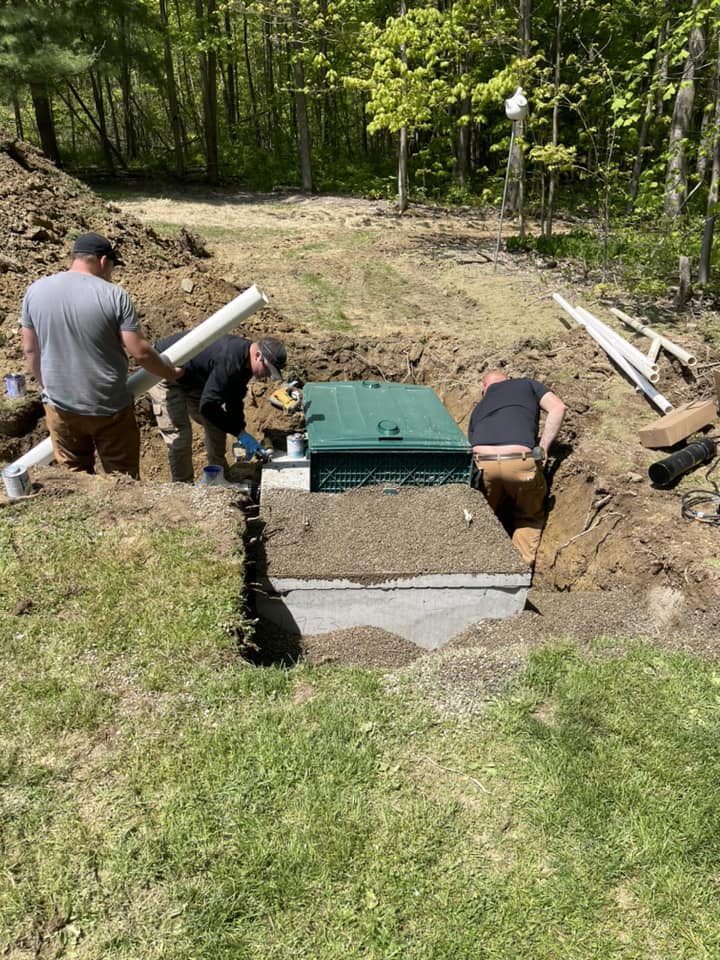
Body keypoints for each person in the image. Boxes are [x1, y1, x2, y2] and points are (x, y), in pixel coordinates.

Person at [21, 232, 183, 479]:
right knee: (122, 479)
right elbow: (140, 352)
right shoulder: (114, 296)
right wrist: (170, 373)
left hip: (60, 405)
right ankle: (124, 517)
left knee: (74, 477)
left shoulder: (35, 291)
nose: (111, 273)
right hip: (108, 407)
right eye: (112, 267)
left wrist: (49, 386)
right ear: (103, 260)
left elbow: (31, 349)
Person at [148, 333, 287, 483]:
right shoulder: (230, 358)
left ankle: (219, 480)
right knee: (180, 435)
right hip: (163, 370)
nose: (267, 376)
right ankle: (183, 487)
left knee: (216, 427)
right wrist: (238, 433)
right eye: (267, 369)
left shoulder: (246, 364)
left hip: (193, 379)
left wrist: (241, 430)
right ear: (258, 355)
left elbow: (234, 399)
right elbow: (208, 407)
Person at [467, 370, 566, 567]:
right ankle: (515, 573)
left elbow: (470, 445)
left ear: (484, 389)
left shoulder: (479, 408)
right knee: (528, 517)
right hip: (519, 462)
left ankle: (478, 566)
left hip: (483, 463)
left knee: (484, 515)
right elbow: (558, 408)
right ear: (508, 381)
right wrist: (543, 448)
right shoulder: (527, 384)